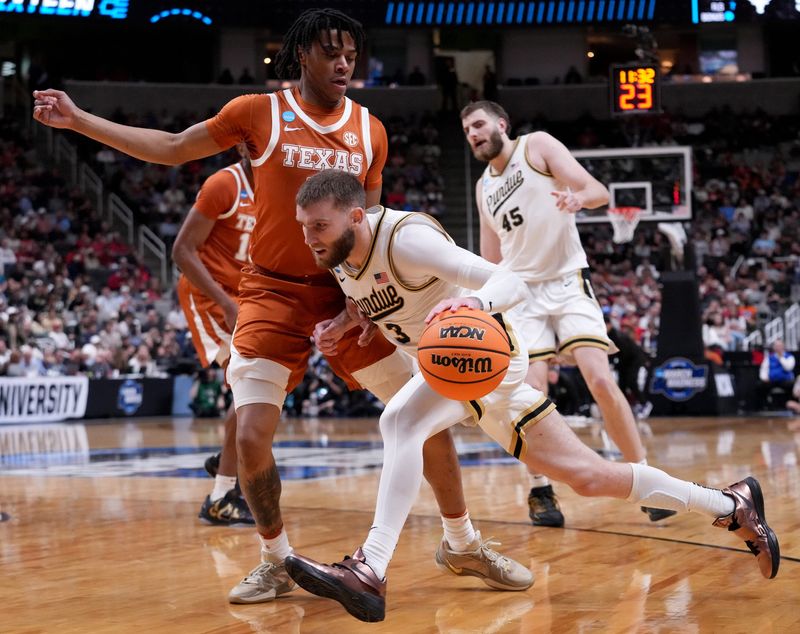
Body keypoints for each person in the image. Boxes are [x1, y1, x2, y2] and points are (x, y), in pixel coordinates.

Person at [33, 8, 525, 606]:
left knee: (420, 417)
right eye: (330, 52)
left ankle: (462, 541)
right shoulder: (257, 112)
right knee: (251, 437)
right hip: (269, 292)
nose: (343, 63)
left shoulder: (371, 129)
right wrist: (79, 119)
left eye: (351, 53)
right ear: (302, 57)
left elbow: (365, 226)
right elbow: (170, 148)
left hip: (348, 294)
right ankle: (275, 558)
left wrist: (361, 306)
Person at [283, 170, 779, 623]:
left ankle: (371, 567)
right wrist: (346, 322)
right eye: (304, 227)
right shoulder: (339, 250)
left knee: (399, 423)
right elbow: (371, 294)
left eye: (318, 228)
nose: (309, 239)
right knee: (588, 476)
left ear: (353, 217)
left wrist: (474, 300)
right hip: (462, 371)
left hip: (488, 351)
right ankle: (728, 503)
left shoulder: (408, 240)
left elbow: (510, 280)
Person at [460, 100, 674, 527]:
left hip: (565, 281)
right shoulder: (484, 187)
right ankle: (540, 491)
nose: (473, 134)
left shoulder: (536, 146)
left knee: (599, 378)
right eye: (467, 131)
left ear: (502, 123)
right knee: (530, 393)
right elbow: (490, 257)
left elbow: (599, 191)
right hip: (521, 294)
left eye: (479, 125)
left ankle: (647, 479)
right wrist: (487, 301)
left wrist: (577, 199)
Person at [172, 144, 257, 527]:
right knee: (250, 388)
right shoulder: (224, 183)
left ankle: (227, 459)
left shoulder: (279, 187)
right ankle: (221, 495)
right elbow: (182, 251)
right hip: (209, 296)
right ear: (242, 145)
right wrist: (225, 302)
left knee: (267, 387)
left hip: (244, 295)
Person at [758, 339, 796, 410]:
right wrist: (764, 378)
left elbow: (788, 368)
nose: (778, 347)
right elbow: (763, 369)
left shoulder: (789, 357)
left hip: (785, 381)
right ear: (774, 347)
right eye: (776, 346)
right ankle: (764, 406)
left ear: (783, 346)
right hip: (771, 380)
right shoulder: (769, 357)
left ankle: (789, 406)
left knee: (791, 386)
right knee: (760, 386)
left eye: (779, 346)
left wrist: (781, 358)